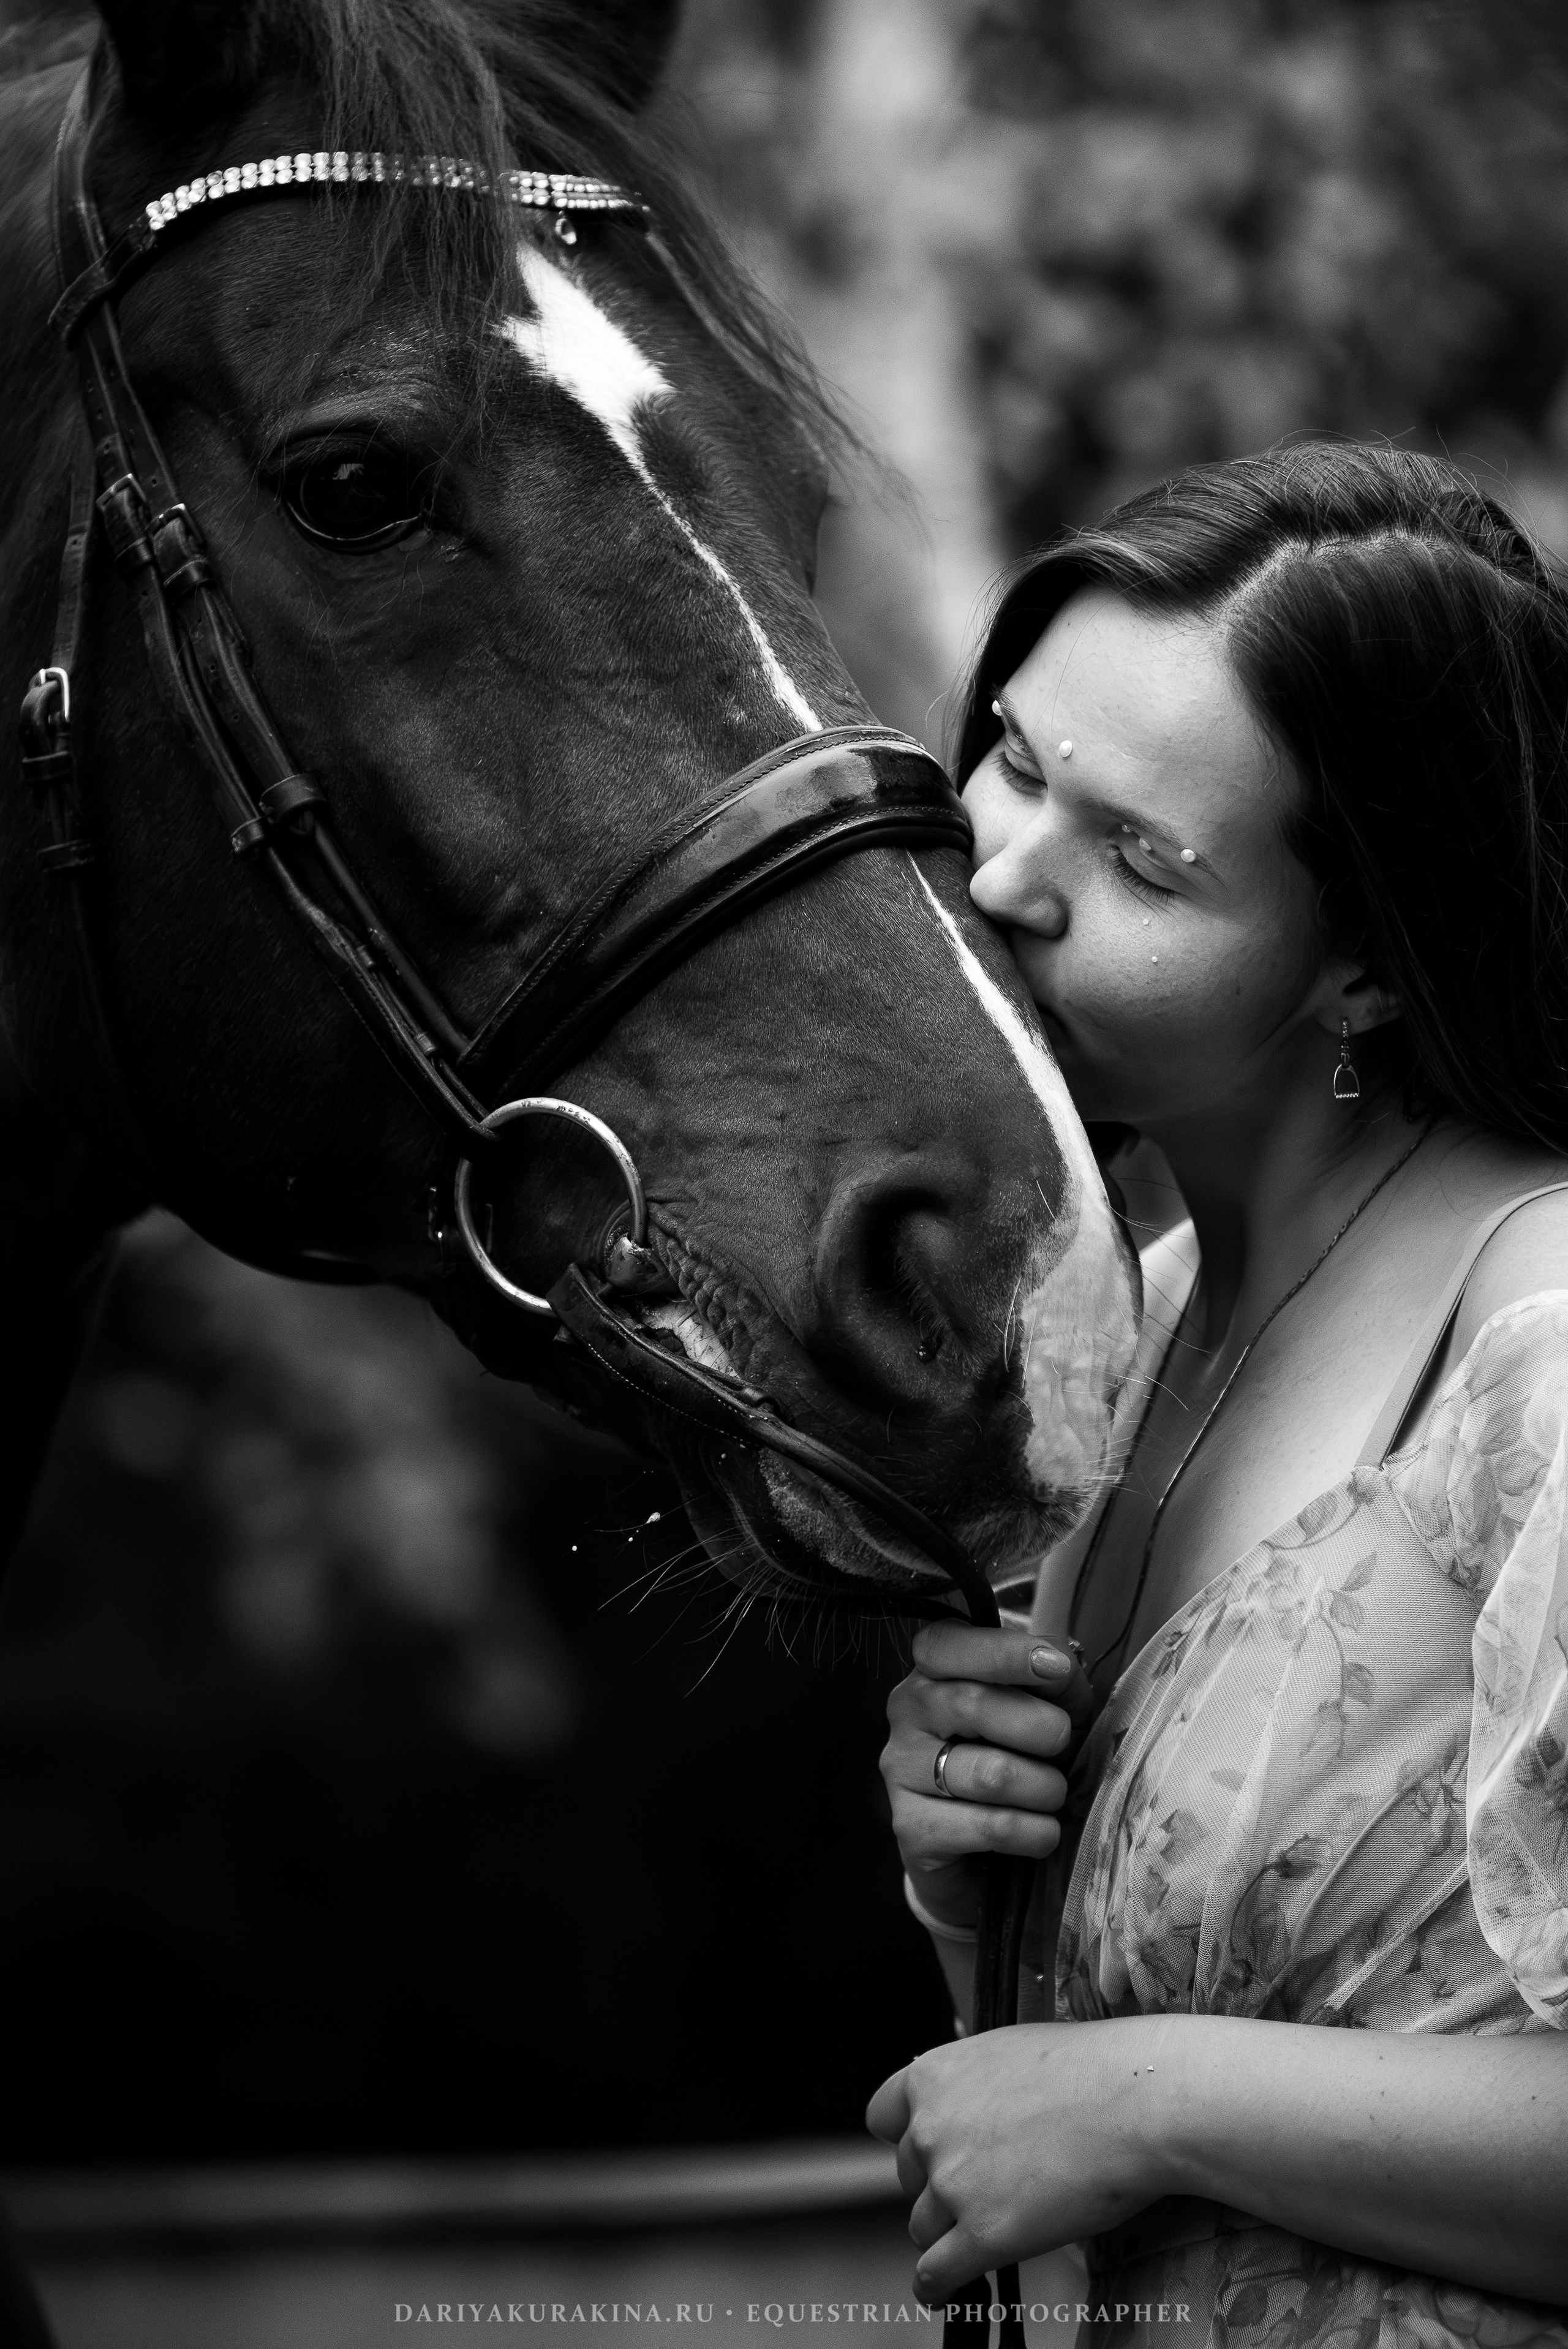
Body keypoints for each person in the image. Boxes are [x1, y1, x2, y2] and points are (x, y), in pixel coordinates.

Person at [867, 443, 1568, 2347]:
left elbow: (1136, 2118)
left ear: (1359, 963)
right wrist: (973, 1883)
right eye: (1013, 757)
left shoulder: (1546, 1346)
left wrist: (1141, 2093)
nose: (1001, 879)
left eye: (1142, 858)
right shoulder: (1131, 1323)